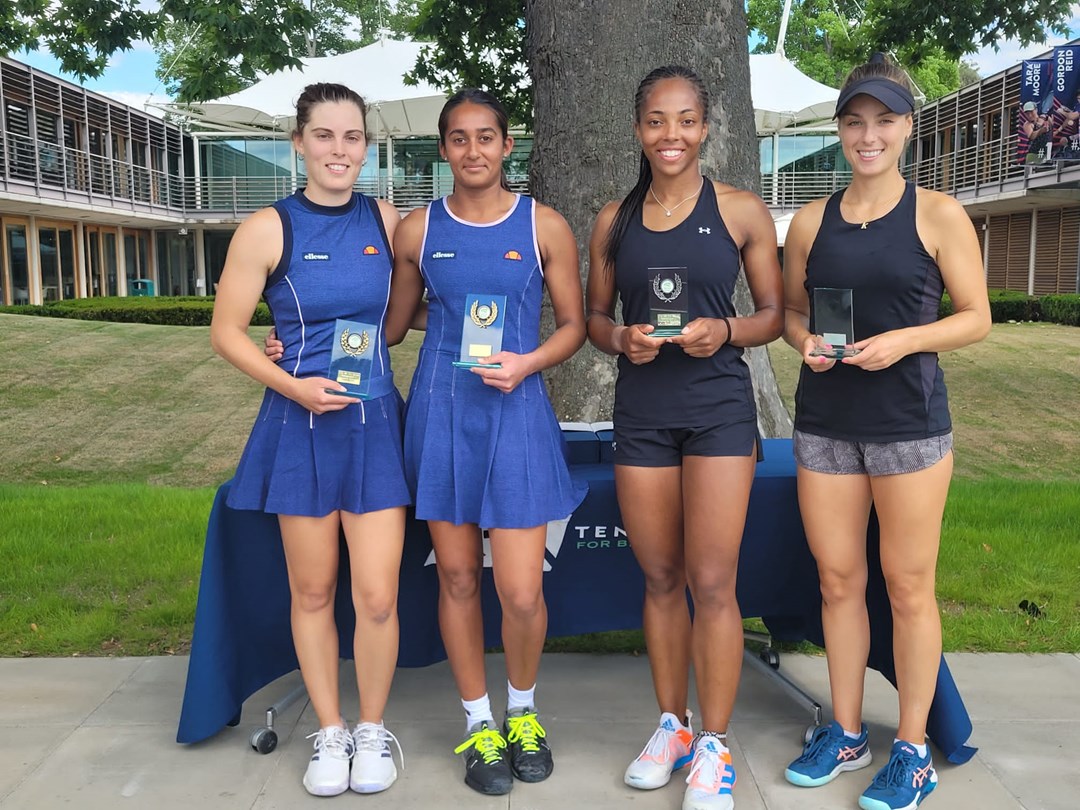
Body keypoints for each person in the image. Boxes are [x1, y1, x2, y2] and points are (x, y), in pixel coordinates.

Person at [781, 54, 990, 810]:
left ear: (906, 128)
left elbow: (976, 316)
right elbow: (793, 313)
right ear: (840, 129)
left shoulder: (937, 214)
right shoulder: (810, 220)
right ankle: (844, 731)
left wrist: (905, 340)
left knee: (907, 587)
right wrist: (801, 340)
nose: (868, 136)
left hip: (908, 427)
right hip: (825, 426)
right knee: (838, 582)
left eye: (885, 121)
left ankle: (911, 747)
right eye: (855, 122)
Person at [586, 65, 784, 810]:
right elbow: (596, 320)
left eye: (686, 120)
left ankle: (715, 745)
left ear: (707, 126)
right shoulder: (613, 220)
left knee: (712, 581)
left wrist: (724, 330)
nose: (672, 135)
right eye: (657, 121)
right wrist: (622, 341)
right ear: (638, 129)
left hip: (720, 413)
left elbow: (774, 313)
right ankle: (671, 725)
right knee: (661, 578)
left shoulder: (739, 211)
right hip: (642, 415)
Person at [382, 88, 587, 796]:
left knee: (523, 592)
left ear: (507, 146)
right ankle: (478, 723)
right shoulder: (417, 229)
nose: (473, 150)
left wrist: (527, 362)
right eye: (459, 138)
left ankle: (523, 712)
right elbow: (390, 324)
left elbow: (573, 326)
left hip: (516, 412)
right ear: (443, 149)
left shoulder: (543, 226)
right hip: (441, 415)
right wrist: (305, 340)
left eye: (486, 138)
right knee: (459, 577)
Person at [210, 82, 408, 798]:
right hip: (299, 422)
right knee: (315, 589)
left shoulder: (388, 221)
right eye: (323, 136)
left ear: (366, 146)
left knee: (378, 595)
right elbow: (225, 331)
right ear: (299, 142)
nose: (338, 150)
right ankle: (329, 731)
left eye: (351, 137)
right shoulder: (268, 227)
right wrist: (292, 382)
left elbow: (416, 309)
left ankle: (371, 731)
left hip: (374, 423)